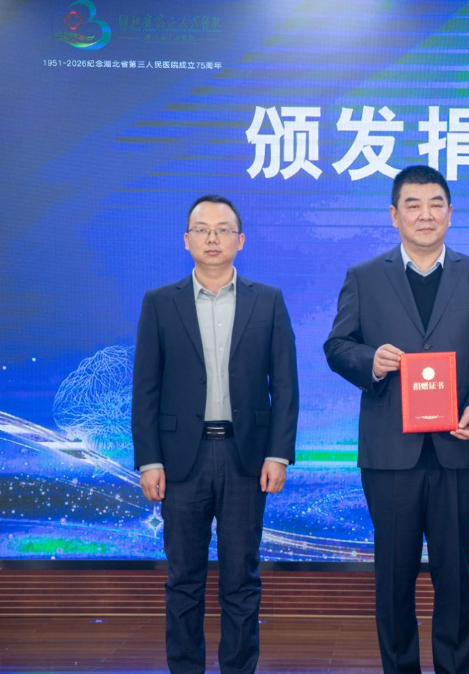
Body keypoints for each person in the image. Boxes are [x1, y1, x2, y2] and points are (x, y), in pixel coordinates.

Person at [324, 165, 469, 674]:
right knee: (393, 580)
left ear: (450, 213)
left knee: (456, 580)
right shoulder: (365, 277)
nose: (425, 214)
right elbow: (337, 346)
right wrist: (371, 361)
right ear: (394, 215)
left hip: (459, 451)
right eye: (413, 205)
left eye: (436, 204)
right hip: (391, 455)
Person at [132, 195, 299, 674]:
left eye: (223, 229)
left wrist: (278, 455)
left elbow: (285, 384)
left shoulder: (268, 300)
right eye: (202, 229)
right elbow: (145, 388)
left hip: (246, 458)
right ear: (186, 240)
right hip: (180, 460)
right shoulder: (160, 303)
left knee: (241, 578)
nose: (212, 238)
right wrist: (149, 461)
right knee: (183, 578)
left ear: (240, 241)